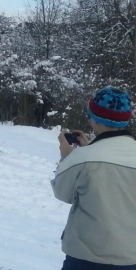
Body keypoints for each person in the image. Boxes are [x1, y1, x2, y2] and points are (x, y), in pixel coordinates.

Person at [51, 87, 136, 269]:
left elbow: (62, 193)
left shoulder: (82, 159)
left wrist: (67, 158)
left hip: (86, 259)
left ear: (95, 120)